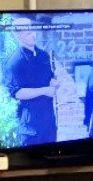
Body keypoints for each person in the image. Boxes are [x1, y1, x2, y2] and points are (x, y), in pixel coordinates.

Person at [3, 17, 58, 147]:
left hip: (50, 123)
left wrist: (53, 83)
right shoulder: (14, 61)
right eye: (28, 33)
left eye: (33, 30)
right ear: (17, 35)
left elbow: (48, 79)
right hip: (30, 128)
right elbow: (17, 92)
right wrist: (44, 91)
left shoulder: (44, 56)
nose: (33, 35)